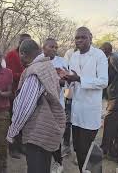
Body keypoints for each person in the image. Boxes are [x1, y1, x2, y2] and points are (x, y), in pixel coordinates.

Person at [7, 39, 66, 173]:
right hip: (48, 127)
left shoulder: (34, 72)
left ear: (23, 54)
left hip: (38, 132)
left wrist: (12, 131)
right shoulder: (48, 66)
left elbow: (25, 107)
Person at [64, 27, 108, 171]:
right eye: (77, 38)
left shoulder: (99, 55)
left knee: (88, 151)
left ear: (90, 37)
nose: (79, 40)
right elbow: (72, 79)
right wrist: (67, 79)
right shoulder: (74, 56)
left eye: (83, 37)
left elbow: (103, 82)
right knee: (78, 149)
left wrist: (79, 78)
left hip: (90, 111)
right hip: (76, 110)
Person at [43, 38, 67, 173]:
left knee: (56, 134)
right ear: (44, 47)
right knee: (44, 134)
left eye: (56, 47)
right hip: (42, 106)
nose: (54, 49)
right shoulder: (38, 61)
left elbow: (66, 82)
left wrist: (59, 79)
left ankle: (58, 162)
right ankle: (45, 162)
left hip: (57, 105)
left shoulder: (62, 62)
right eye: (51, 47)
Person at [5, 33, 31, 158]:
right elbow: (9, 74)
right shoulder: (11, 55)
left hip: (26, 93)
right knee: (13, 121)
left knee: (24, 121)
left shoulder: (30, 56)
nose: (25, 45)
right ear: (19, 42)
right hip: (14, 93)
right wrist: (24, 75)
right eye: (23, 42)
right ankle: (12, 148)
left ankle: (21, 146)